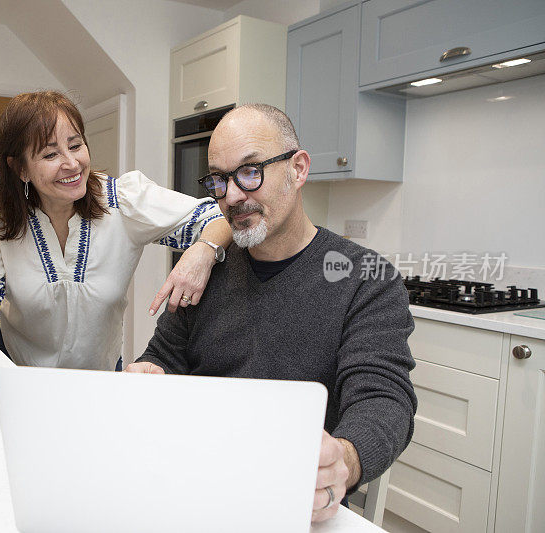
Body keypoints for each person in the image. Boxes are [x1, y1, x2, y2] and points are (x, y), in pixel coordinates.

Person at [126, 104, 416, 523]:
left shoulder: (365, 280)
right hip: (195, 487)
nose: (232, 195)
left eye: (250, 172)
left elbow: (383, 399)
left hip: (296, 501)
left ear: (298, 170)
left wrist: (345, 459)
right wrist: (150, 371)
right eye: (220, 179)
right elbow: (165, 356)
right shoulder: (204, 272)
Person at [0, 91, 231, 370]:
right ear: (19, 168)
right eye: (50, 155)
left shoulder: (123, 201)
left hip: (100, 378)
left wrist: (203, 251)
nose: (72, 163)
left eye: (75, 145)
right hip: (21, 376)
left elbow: (217, 216)